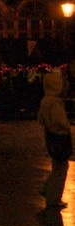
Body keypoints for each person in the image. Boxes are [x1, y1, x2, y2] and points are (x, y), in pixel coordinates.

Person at [37, 73, 71, 209]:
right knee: (61, 167)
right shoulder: (55, 103)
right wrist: (67, 126)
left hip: (51, 136)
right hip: (60, 137)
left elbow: (40, 119)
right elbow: (61, 121)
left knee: (57, 166)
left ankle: (47, 189)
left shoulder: (45, 101)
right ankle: (53, 197)